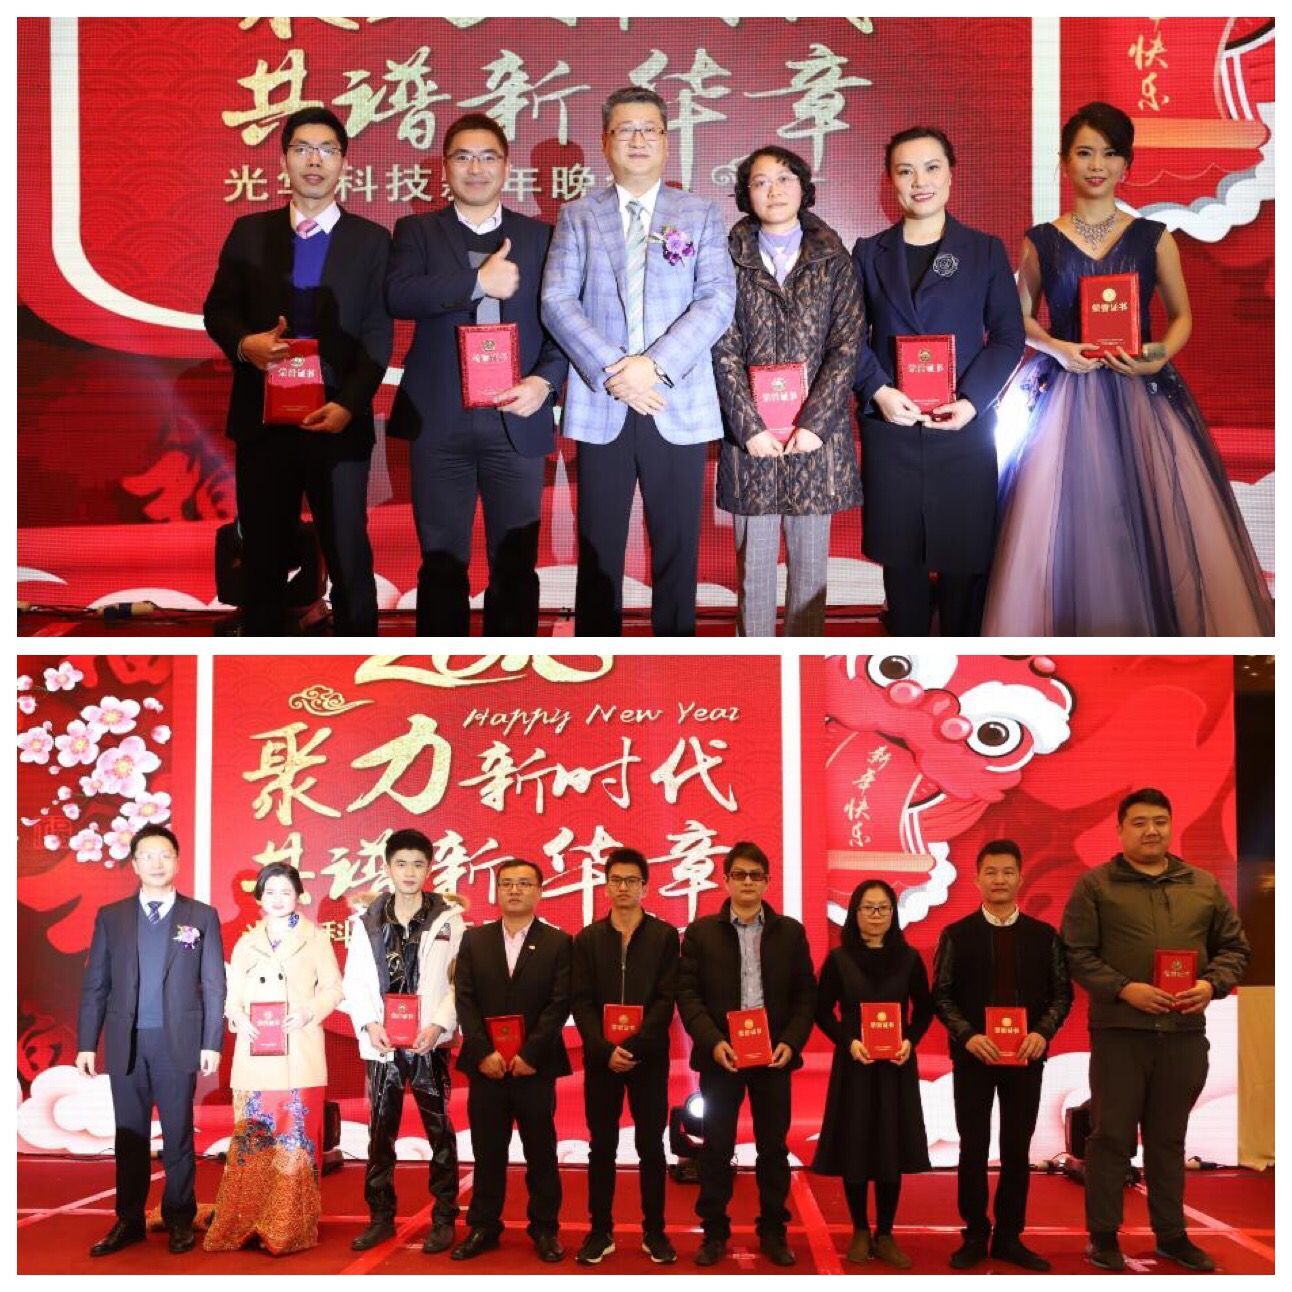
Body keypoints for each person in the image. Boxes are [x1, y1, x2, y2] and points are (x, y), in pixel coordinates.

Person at [982, 102, 1273, 635]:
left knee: (1153, 515)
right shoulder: (1041, 240)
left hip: (1143, 396)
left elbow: (1183, 316)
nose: (1097, 165)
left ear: (1126, 164)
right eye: (1084, 153)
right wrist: (1057, 348)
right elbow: (1018, 318)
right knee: (1062, 519)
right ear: (1064, 162)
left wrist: (1154, 356)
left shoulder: (1153, 236)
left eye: (1110, 153)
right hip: (1063, 395)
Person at [541, 85, 737, 636]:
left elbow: (717, 298)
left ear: (667, 142)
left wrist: (653, 365)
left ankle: (676, 655)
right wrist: (616, 370)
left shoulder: (699, 213)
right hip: (604, 400)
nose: (638, 140)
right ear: (606, 142)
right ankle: (596, 653)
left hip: (674, 400)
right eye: (625, 129)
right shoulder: (579, 216)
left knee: (678, 544)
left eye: (649, 129)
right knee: (598, 545)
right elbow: (557, 300)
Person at [203, 106, 392, 636]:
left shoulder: (372, 241)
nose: (314, 161)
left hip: (338, 422)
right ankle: (263, 656)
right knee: (263, 553)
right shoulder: (249, 233)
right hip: (264, 423)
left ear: (344, 162)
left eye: (327, 150)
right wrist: (247, 345)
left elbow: (378, 333)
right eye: (303, 149)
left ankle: (358, 650)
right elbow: (218, 310)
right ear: (284, 159)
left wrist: (349, 404)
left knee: (348, 552)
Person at [386, 112, 568, 636]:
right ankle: (442, 665)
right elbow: (399, 295)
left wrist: (544, 382)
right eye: (463, 157)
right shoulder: (418, 232)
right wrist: (476, 282)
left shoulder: (540, 238)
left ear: (507, 168)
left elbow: (563, 324)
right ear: (445, 168)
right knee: (442, 562)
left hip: (517, 418)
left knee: (515, 564)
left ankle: (515, 666)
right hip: (441, 422)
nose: (476, 168)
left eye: (488, 157)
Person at [1061, 788, 1251, 1271]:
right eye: (1140, 822)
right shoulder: (1096, 886)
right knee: (1111, 1137)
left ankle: (1172, 1235)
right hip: (1120, 1034)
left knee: (1169, 1140)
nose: (1151, 831)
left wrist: (1210, 985)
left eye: (1160, 822)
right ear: (1120, 830)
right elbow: (1076, 954)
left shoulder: (1202, 885)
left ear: (1171, 826)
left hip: (1183, 1035)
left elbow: (1235, 949)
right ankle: (1103, 1237)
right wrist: (1125, 989)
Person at [852, 126, 1025, 636]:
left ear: (951, 175)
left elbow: (1008, 337)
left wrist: (971, 402)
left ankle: (961, 658)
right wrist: (879, 390)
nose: (919, 182)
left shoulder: (983, 251)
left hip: (963, 431)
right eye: (905, 171)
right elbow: (847, 338)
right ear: (891, 181)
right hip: (893, 429)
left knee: (964, 570)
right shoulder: (869, 253)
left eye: (931, 168)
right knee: (900, 566)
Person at [711, 146, 863, 636]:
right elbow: (722, 347)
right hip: (751, 441)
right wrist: (749, 427)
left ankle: (803, 665)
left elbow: (847, 344)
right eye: (760, 182)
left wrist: (815, 425)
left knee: (810, 576)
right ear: (745, 193)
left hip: (815, 441)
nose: (773, 190)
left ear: (803, 187)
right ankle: (753, 666)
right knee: (753, 575)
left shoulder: (834, 258)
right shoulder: (727, 258)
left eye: (784, 178)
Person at [75, 825, 225, 1257]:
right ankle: (129, 1220)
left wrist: (211, 1042)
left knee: (178, 1134)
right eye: (148, 855)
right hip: (127, 1042)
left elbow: (214, 984)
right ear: (135, 864)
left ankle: (179, 1217)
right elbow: (96, 984)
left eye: (165, 855)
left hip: (177, 1042)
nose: (157, 863)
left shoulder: (201, 916)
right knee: (129, 1136)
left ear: (177, 861)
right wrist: (87, 1042)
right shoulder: (112, 916)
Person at [931, 840, 1072, 1271]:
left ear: (1020, 878)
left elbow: (1062, 994)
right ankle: (974, 1234)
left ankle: (1010, 1236)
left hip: (1026, 1058)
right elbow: (941, 994)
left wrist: (1042, 1033)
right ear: (977, 879)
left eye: (1007, 871)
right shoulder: (957, 935)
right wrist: (968, 1036)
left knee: (1016, 1147)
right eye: (991, 872)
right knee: (972, 1146)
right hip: (974, 1057)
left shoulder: (1043, 936)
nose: (999, 879)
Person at [676, 842, 816, 1268]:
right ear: (726, 880)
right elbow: (688, 995)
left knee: (773, 1148)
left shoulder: (789, 932)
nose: (748, 882)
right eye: (740, 874)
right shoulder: (701, 933)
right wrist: (712, 1041)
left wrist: (790, 1042)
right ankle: (714, 1232)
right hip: (722, 1057)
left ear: (767, 881)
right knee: (716, 1147)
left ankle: (773, 1231)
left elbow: (805, 995)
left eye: (756, 875)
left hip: (773, 1057)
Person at [204, 863, 343, 1255]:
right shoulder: (246, 943)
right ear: (259, 898)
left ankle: (288, 1228)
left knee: (295, 1145)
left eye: (286, 891)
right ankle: (247, 1221)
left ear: (298, 895)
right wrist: (238, 1017)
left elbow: (334, 988)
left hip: (300, 1053)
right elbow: (231, 996)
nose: (278, 899)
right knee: (254, 1144)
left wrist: (309, 1011)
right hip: (255, 1057)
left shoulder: (315, 938)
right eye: (270, 892)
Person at [342, 829, 467, 1255]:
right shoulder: (367, 920)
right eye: (401, 864)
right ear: (388, 867)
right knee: (381, 1132)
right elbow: (354, 981)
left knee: (439, 1130)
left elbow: (459, 981)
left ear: (429, 868)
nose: (409, 872)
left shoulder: (448, 919)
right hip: (383, 1043)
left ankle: (444, 1217)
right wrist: (368, 1023)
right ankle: (380, 1217)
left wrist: (438, 1024)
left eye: (418, 864)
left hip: (427, 1041)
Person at [452, 858, 573, 1262]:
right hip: (486, 1067)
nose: (515, 890)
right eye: (507, 883)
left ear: (539, 891)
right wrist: (483, 1051)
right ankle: (484, 1227)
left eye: (524, 883)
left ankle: (545, 1229)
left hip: (534, 1067)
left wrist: (529, 1053)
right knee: (488, 1151)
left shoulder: (558, 942)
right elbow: (465, 1000)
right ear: (497, 891)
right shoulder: (475, 940)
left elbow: (559, 1004)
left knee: (541, 1152)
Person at [812, 879, 932, 1268]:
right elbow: (820, 1011)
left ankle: (886, 1233)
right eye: (868, 908)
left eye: (883, 908)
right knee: (856, 1144)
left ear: (893, 913)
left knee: (889, 1147)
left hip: (895, 1067)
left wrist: (910, 1041)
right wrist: (848, 1042)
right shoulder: (839, 959)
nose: (876, 915)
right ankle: (860, 1230)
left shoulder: (909, 959)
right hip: (856, 1066)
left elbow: (925, 1009)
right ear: (855, 913)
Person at [570, 848, 680, 1265]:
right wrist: (603, 1049)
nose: (623, 888)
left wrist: (635, 1045)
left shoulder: (664, 937)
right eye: (616, 880)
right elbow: (580, 1001)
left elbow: (666, 998)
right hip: (602, 1060)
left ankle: (655, 1232)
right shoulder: (588, 939)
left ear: (644, 887)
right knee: (602, 1146)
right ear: (606, 886)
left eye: (631, 881)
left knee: (651, 1145)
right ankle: (600, 1232)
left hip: (648, 1059)